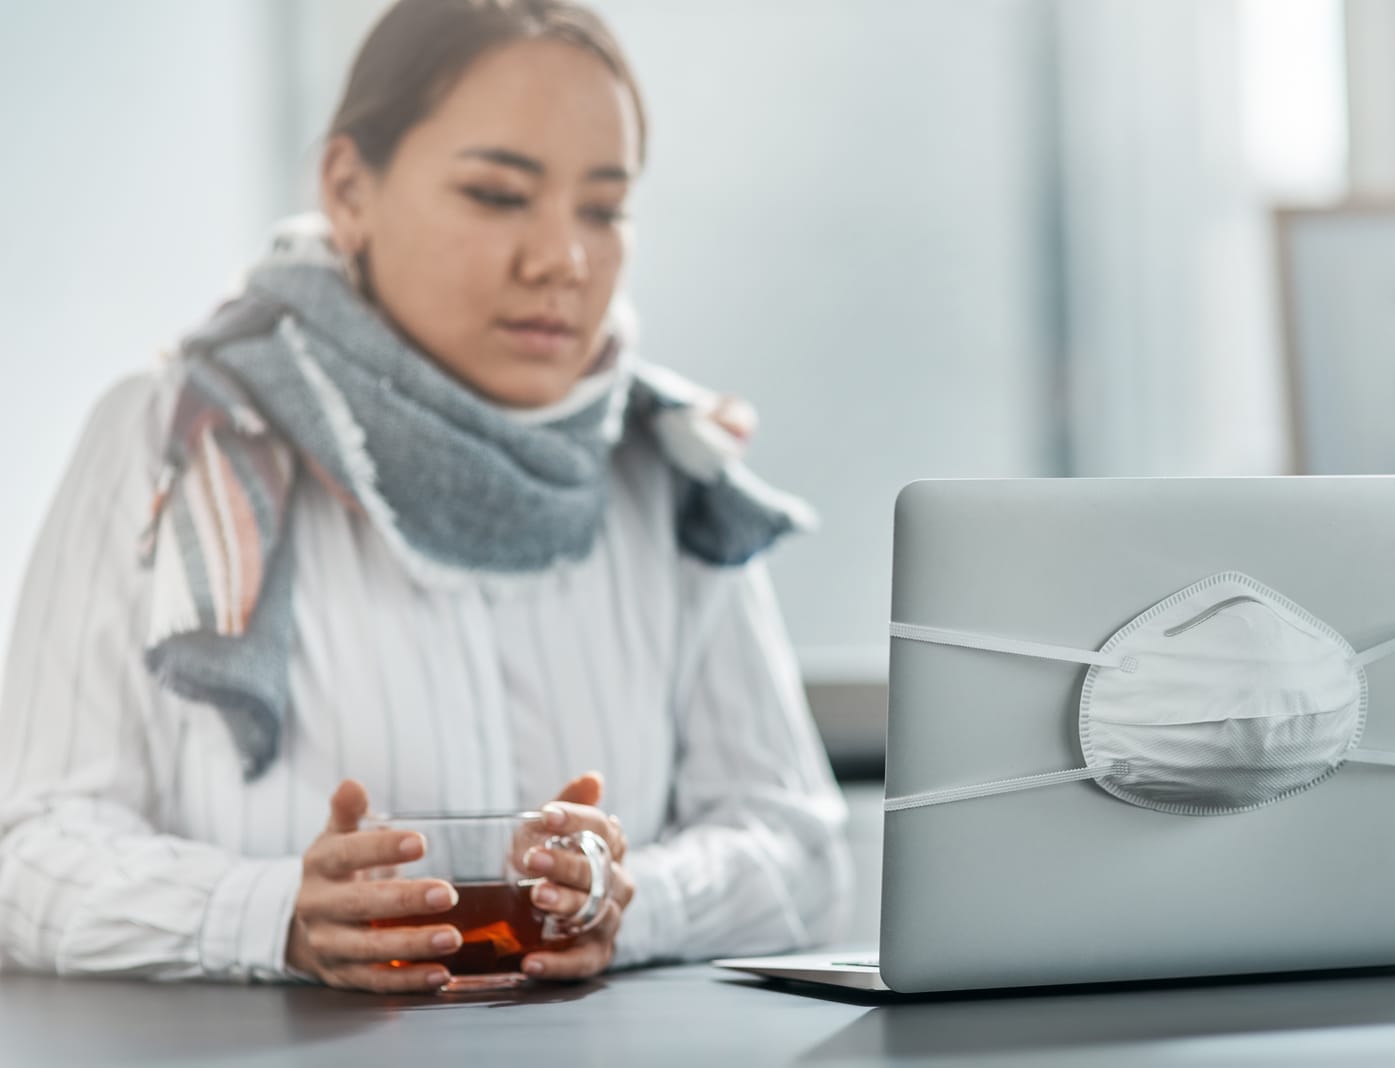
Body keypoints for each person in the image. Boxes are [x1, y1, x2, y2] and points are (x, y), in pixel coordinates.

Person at [0, 0, 850, 993]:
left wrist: (630, 898)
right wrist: (274, 915)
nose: (563, 261)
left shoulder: (667, 470)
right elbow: (28, 854)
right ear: (348, 189)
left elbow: (796, 846)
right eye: (497, 194)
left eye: (603, 208)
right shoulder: (170, 439)